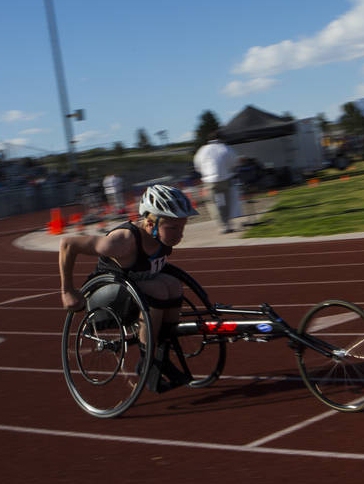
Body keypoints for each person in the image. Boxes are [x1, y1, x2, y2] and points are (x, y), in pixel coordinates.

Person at [59, 184, 199, 390]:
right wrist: (67, 291)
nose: (180, 234)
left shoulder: (160, 238)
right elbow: (68, 244)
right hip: (105, 298)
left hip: (134, 292)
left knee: (174, 285)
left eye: (182, 227)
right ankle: (146, 363)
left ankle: (162, 357)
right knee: (159, 289)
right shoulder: (121, 242)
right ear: (151, 222)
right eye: (173, 228)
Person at [192, 131, 239, 233]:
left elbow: (197, 167)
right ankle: (228, 223)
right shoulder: (226, 148)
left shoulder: (203, 150)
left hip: (210, 180)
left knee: (213, 203)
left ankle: (222, 225)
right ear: (221, 139)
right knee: (227, 201)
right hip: (226, 178)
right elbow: (234, 163)